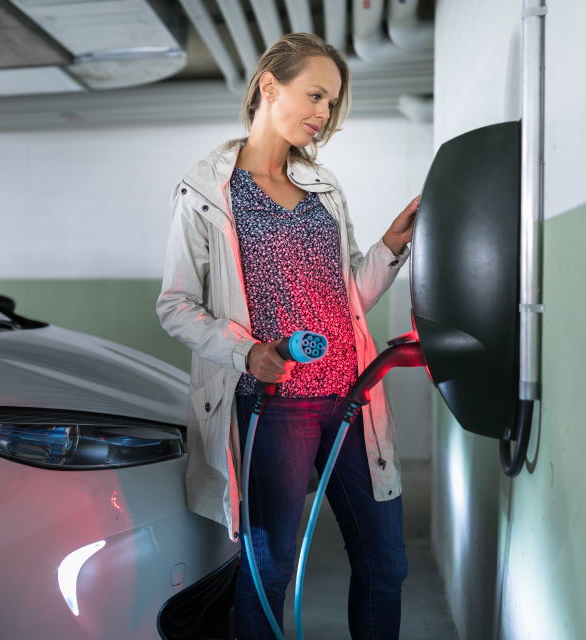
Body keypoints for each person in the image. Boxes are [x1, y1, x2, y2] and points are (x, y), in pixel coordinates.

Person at [156, 32, 419, 640]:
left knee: (386, 563)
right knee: (268, 570)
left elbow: (348, 293)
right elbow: (175, 305)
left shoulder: (323, 188)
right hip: (275, 408)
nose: (324, 115)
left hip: (353, 398)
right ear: (269, 87)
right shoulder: (205, 193)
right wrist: (248, 351)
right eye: (316, 96)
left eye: (332, 103)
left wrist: (391, 246)